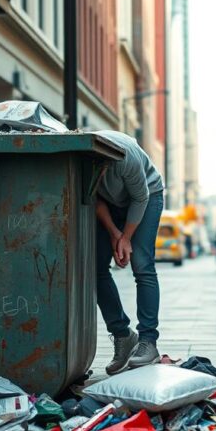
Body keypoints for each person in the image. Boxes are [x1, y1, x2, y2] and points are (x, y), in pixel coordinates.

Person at [93, 130, 166, 374]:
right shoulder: (83, 161)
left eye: (102, 170)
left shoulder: (126, 157)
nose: (99, 174)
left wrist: (126, 238)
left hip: (148, 195)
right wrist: (114, 233)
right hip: (111, 203)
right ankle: (123, 336)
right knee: (96, 267)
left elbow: (140, 197)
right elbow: (94, 199)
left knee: (142, 265)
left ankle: (148, 342)